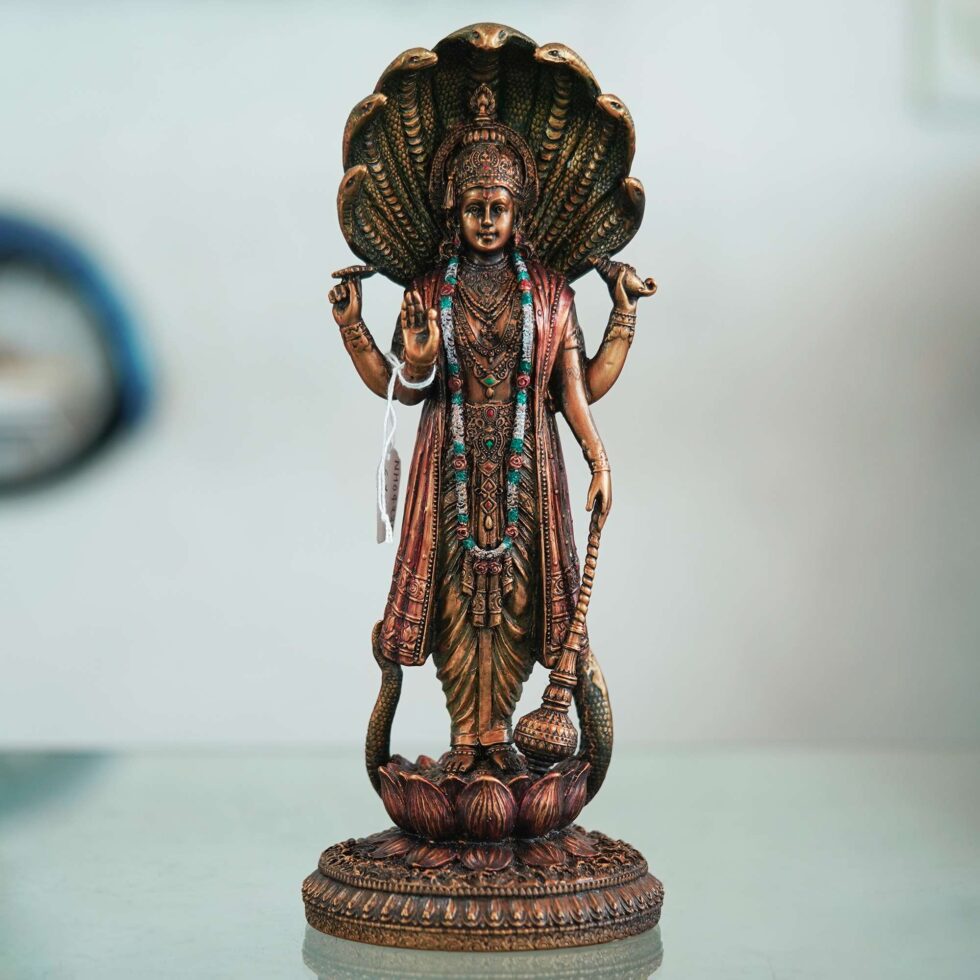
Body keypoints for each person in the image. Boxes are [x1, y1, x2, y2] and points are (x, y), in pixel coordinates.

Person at [329, 86, 655, 774]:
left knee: (516, 599)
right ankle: (467, 744)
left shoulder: (550, 293)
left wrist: (600, 457)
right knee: (455, 601)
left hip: (526, 464)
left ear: (518, 211)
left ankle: (499, 744)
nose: (485, 220)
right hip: (446, 466)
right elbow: (402, 387)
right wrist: (363, 330)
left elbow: (578, 390)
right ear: (454, 208)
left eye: (498, 208)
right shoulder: (428, 290)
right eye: (474, 207)